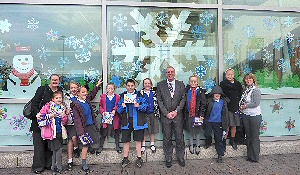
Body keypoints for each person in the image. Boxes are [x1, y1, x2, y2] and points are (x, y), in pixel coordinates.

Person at [31, 74, 62, 174]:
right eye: (53, 80)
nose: (54, 81)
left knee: (50, 145)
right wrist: (37, 114)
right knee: (39, 145)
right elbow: (34, 103)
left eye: (56, 80)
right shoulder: (42, 89)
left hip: (51, 124)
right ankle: (38, 167)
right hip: (39, 123)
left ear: (59, 81)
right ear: (50, 80)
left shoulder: (60, 91)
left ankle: (48, 165)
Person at [156, 66, 186, 168]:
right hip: (166, 117)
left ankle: (180, 157)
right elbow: (159, 101)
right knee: (167, 138)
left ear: (174, 73)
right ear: (166, 74)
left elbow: (183, 99)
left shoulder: (181, 84)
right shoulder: (160, 85)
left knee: (179, 138)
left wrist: (176, 111)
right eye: (168, 72)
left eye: (172, 72)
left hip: (178, 116)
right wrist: (166, 113)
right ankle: (168, 158)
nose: (170, 73)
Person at [70, 80, 102, 173]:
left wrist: (97, 86)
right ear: (78, 93)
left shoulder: (87, 100)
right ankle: (84, 163)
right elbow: (77, 120)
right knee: (85, 145)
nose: (85, 93)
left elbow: (92, 95)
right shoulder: (76, 104)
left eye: (86, 92)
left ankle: (91, 148)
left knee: (95, 138)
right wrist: (81, 133)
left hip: (91, 125)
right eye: (83, 92)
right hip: (84, 128)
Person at [117, 79, 148, 168]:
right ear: (126, 86)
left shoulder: (140, 95)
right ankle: (125, 158)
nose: (130, 87)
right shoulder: (122, 96)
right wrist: (122, 107)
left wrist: (139, 106)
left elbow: (145, 106)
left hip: (138, 121)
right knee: (126, 140)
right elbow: (118, 109)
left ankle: (139, 158)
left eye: (132, 86)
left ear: (134, 86)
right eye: (128, 86)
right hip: (126, 121)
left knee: (138, 140)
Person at [37, 91, 68, 174]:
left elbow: (64, 122)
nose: (59, 99)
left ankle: (53, 167)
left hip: (59, 132)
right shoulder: (48, 106)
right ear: (53, 99)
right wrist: (50, 116)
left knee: (55, 150)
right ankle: (59, 167)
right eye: (57, 98)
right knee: (59, 149)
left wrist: (64, 116)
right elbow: (39, 116)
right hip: (51, 132)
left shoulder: (62, 108)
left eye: (60, 97)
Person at [239, 73, 262, 163]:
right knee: (248, 136)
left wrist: (245, 106)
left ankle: (255, 156)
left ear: (253, 80)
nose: (248, 80)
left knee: (254, 137)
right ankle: (249, 155)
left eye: (250, 79)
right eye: (246, 79)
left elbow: (255, 103)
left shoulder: (256, 90)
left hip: (254, 116)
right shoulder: (245, 90)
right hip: (246, 115)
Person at [203, 85, 229, 163]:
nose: (217, 95)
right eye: (215, 93)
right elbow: (204, 110)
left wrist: (225, 125)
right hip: (209, 121)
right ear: (212, 94)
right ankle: (208, 142)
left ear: (221, 94)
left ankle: (220, 155)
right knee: (207, 134)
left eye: (218, 93)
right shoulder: (209, 101)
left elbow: (225, 114)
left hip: (219, 122)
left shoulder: (223, 102)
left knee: (218, 139)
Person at [220, 68, 243, 151]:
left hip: (236, 106)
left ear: (234, 75)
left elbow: (240, 94)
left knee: (234, 125)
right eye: (228, 74)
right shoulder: (223, 84)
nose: (230, 76)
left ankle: (232, 140)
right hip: (227, 107)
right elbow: (222, 95)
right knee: (227, 125)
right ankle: (224, 142)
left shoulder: (238, 84)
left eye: (231, 74)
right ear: (226, 75)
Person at [96, 82, 122, 155]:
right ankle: (100, 147)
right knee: (104, 132)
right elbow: (100, 106)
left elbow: (118, 105)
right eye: (109, 88)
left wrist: (115, 109)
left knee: (116, 132)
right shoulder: (103, 97)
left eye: (112, 88)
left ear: (114, 89)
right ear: (106, 89)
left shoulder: (117, 97)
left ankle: (117, 146)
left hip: (115, 117)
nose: (110, 89)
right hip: (106, 117)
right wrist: (103, 112)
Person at [184, 75, 206, 155]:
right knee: (190, 131)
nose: (193, 83)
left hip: (197, 115)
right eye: (191, 81)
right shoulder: (187, 91)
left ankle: (197, 145)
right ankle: (191, 145)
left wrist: (202, 114)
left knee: (197, 131)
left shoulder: (200, 92)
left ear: (197, 82)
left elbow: (203, 104)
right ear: (189, 82)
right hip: (189, 114)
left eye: (195, 81)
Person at [63, 81, 80, 171]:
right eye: (71, 88)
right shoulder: (66, 97)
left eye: (75, 87)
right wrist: (65, 111)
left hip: (79, 122)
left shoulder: (80, 96)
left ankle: (76, 147)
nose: (73, 89)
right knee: (71, 138)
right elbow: (61, 107)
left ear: (78, 88)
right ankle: (70, 161)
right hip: (69, 122)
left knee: (75, 138)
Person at [140, 78, 160, 154]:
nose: (147, 85)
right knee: (145, 130)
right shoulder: (141, 93)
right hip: (144, 114)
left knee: (153, 129)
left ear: (151, 85)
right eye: (145, 83)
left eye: (149, 83)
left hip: (153, 113)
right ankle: (143, 145)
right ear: (143, 85)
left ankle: (152, 144)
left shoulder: (154, 92)